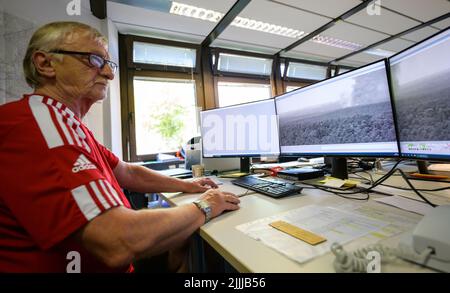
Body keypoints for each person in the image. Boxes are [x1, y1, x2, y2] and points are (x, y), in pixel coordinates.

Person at [0, 21, 240, 273]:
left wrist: (187, 186)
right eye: (93, 60)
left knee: (185, 242)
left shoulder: (67, 125)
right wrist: (205, 205)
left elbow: (126, 171)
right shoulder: (38, 126)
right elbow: (117, 240)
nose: (109, 74)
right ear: (46, 63)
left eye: (109, 64)